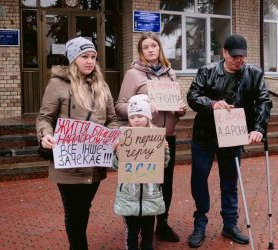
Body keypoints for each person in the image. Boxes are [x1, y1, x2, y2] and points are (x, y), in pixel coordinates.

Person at [186, 34, 272, 248]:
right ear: (224, 52)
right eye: (234, 56)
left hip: (233, 135)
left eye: (242, 56)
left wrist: (258, 129)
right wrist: (212, 103)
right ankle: (200, 224)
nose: (239, 60)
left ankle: (230, 225)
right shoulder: (207, 71)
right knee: (199, 180)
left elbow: (264, 100)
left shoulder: (254, 73)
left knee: (230, 182)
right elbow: (192, 96)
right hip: (205, 135)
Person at [36, 36, 118, 250]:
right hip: (68, 161)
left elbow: (112, 119)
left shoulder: (103, 86)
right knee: (74, 211)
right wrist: (45, 135)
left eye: (93, 57)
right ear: (73, 59)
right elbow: (44, 118)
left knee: (84, 208)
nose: (90, 61)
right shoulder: (57, 84)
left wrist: (112, 136)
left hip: (94, 160)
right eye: (84, 56)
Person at [115, 32, 187, 242]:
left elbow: (175, 105)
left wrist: (180, 109)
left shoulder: (170, 73)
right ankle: (140, 226)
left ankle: (162, 224)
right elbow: (120, 106)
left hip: (166, 137)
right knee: (145, 185)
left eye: (154, 45)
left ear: (159, 48)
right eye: (146, 47)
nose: (150, 49)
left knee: (166, 184)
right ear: (141, 51)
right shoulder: (133, 74)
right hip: (144, 139)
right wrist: (141, 107)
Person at [113, 94, 170, 250]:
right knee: (131, 233)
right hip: (128, 196)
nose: (136, 120)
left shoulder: (156, 137)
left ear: (147, 117)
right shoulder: (124, 138)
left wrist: (164, 150)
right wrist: (117, 152)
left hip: (150, 195)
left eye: (140, 115)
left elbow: (163, 165)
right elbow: (116, 167)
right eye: (132, 117)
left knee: (148, 233)